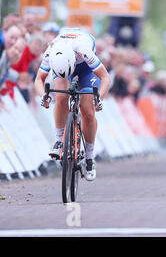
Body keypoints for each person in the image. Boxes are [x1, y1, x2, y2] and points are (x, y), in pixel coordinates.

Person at [34, 28, 111, 181]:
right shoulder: (51, 52)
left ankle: (89, 157)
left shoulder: (84, 50)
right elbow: (38, 80)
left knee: (88, 111)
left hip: (85, 68)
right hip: (62, 63)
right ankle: (59, 140)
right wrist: (44, 96)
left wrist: (99, 99)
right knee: (61, 97)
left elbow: (105, 77)